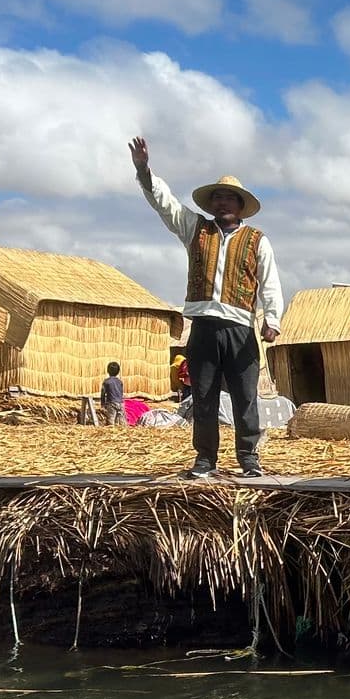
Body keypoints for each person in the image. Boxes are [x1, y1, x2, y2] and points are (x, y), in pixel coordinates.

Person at [129, 136, 284, 478]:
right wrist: (144, 171)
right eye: (217, 197)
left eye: (229, 198)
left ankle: (248, 458)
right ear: (211, 204)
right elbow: (165, 204)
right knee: (203, 396)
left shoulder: (257, 240)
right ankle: (205, 460)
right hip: (202, 327)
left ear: (240, 205)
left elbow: (270, 281)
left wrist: (271, 320)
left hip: (239, 329)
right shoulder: (195, 229)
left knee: (245, 398)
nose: (223, 202)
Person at [99, 361, 126, 425]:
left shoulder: (106, 382)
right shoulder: (120, 382)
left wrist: (102, 404)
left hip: (111, 403)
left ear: (108, 371)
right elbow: (121, 393)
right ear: (118, 372)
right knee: (121, 420)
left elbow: (103, 393)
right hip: (120, 403)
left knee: (111, 419)